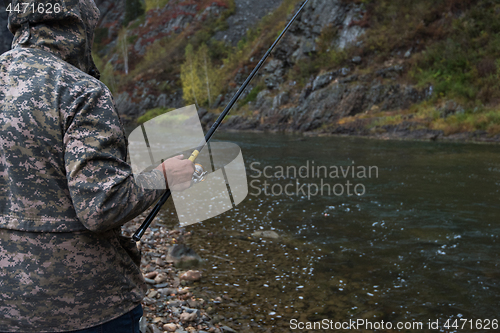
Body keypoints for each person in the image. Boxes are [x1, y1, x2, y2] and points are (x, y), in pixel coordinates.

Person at [0, 0, 194, 331]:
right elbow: (101, 206)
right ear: (79, 25)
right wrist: (164, 176)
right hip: (88, 307)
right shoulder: (80, 90)